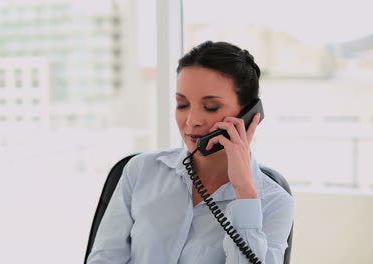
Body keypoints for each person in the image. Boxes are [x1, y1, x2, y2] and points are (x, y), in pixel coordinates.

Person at [87, 41, 294, 264]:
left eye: (211, 107)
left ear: (248, 114)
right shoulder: (140, 171)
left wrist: (244, 192)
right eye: (182, 104)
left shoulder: (273, 202)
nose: (192, 121)